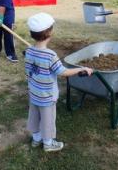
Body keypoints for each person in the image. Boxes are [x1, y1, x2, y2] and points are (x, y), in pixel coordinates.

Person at [25, 12, 93, 152]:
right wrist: (81, 69)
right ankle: (48, 143)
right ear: (49, 33)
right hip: (47, 96)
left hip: (34, 93)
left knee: (34, 116)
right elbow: (63, 72)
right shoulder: (50, 55)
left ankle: (36, 139)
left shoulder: (29, 51)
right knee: (48, 120)